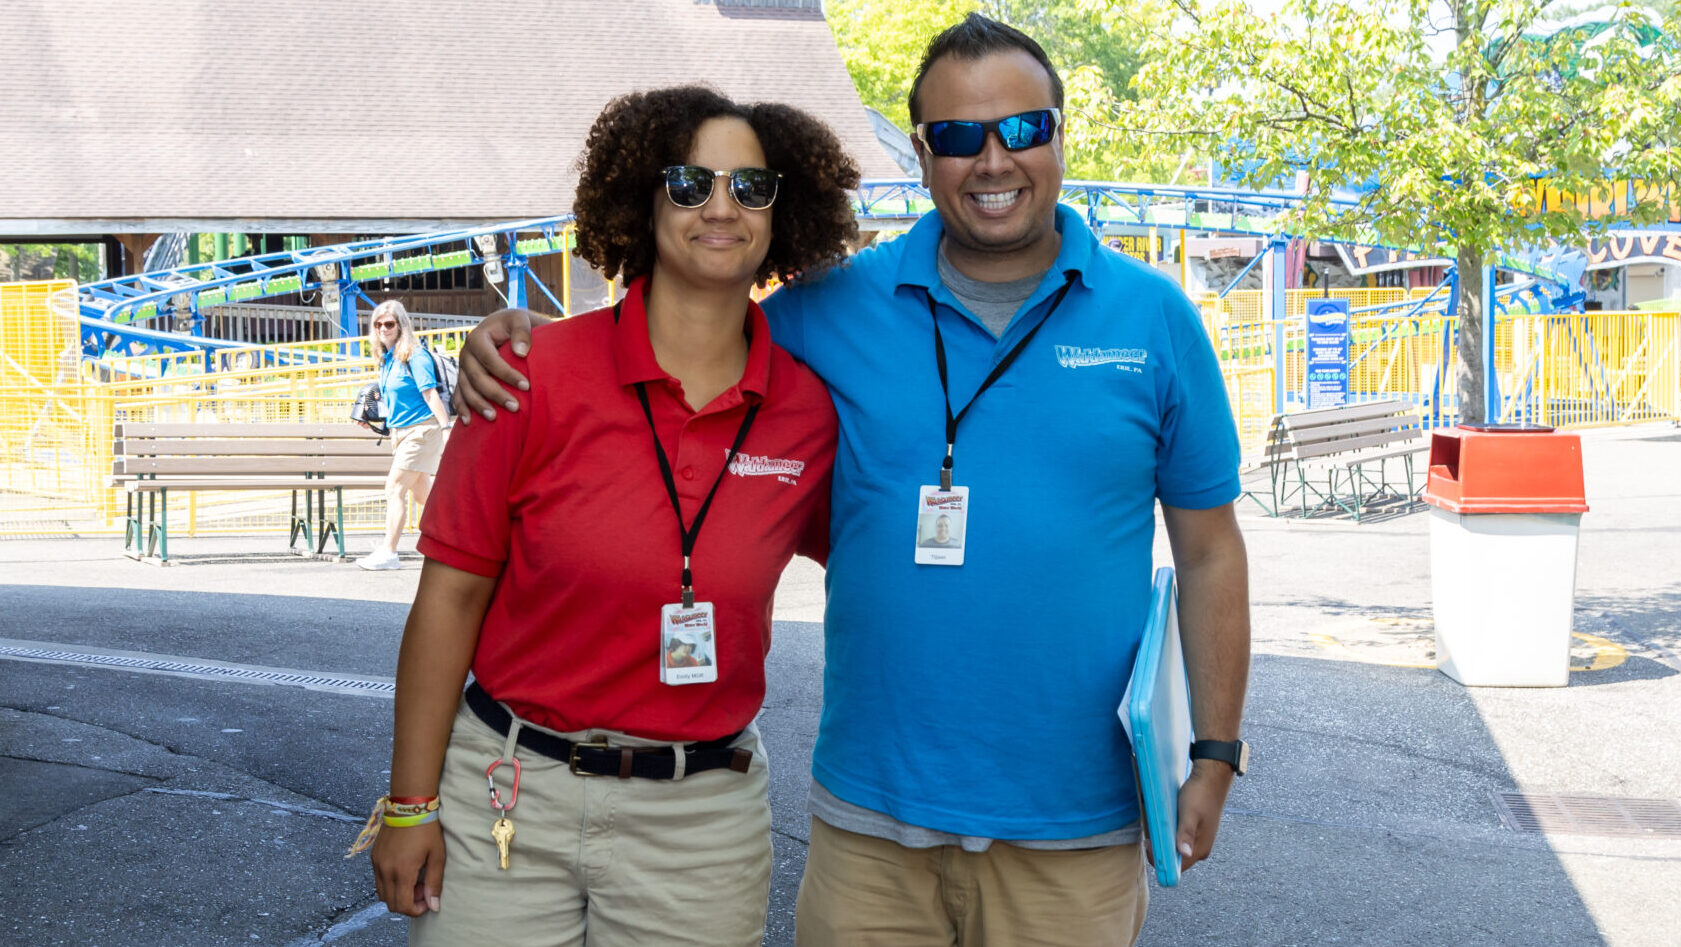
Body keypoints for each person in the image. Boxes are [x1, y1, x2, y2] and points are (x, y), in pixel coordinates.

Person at [453, 15, 1251, 947]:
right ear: (920, 154)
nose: (992, 160)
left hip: (1075, 831)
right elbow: (684, 331)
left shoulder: (1154, 319)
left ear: (1060, 134)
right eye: (957, 137)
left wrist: (1215, 756)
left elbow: (1208, 554)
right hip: (870, 833)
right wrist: (515, 334)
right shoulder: (827, 309)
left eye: (1022, 130)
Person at [359, 85, 858, 946]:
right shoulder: (525, 373)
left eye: (751, 186)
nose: (720, 206)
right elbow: (448, 598)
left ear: (784, 213)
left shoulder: (810, 411)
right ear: (641, 198)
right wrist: (409, 804)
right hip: (510, 791)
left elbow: (886, 560)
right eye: (689, 182)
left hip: (700, 819)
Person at [355, 299, 451, 571]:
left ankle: (389, 552)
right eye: (378, 324)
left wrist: (446, 429)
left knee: (394, 488)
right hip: (401, 433)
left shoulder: (414, 356)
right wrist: (374, 419)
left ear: (401, 325)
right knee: (424, 497)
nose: (383, 328)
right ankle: (457, 536)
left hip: (422, 431)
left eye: (389, 324)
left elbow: (429, 393)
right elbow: (396, 399)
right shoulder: (387, 359)